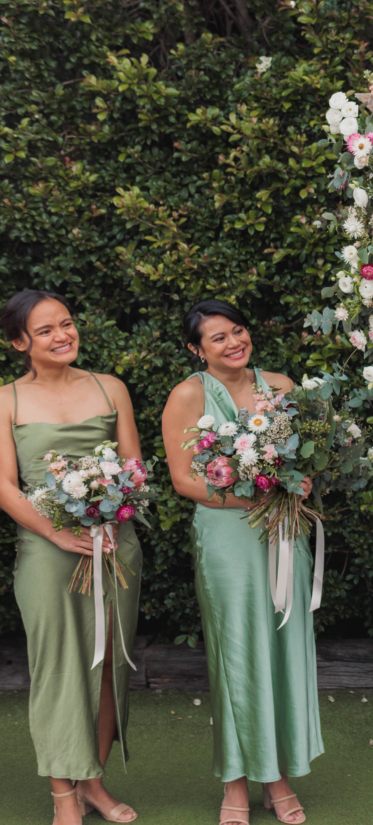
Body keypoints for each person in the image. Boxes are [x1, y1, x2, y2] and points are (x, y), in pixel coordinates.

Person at [160, 300, 321, 825]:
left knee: (283, 646)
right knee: (237, 653)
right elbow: (185, 480)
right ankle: (235, 780)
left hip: (284, 533)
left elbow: (306, 456)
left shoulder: (282, 386)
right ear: (196, 350)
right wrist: (257, 496)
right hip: (227, 537)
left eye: (238, 330)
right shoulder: (188, 395)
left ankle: (278, 776)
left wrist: (302, 479)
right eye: (218, 337)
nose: (234, 342)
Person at [0, 289, 142, 825]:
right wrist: (56, 534)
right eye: (45, 330)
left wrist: (114, 513)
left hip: (115, 544)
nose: (63, 336)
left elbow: (133, 468)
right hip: (46, 550)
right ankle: (64, 798)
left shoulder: (110, 388)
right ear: (19, 343)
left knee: (108, 666)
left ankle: (92, 785)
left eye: (66, 323)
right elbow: (5, 486)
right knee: (58, 669)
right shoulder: (6, 400)